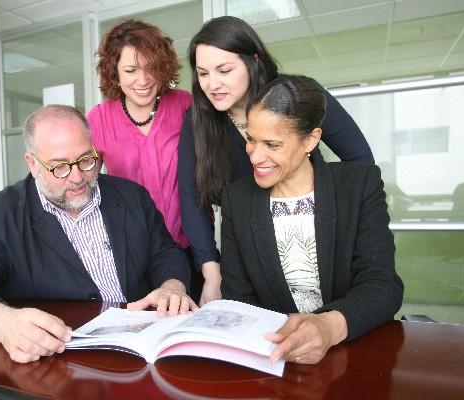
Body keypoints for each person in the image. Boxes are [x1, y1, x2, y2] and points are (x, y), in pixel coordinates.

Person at [0, 105, 197, 364]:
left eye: (86, 160)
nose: (77, 177)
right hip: (56, 360)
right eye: (60, 167)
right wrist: (4, 323)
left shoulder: (131, 195)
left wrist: (171, 285)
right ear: (33, 164)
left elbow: (165, 251)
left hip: (141, 349)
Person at [178, 16, 376, 304]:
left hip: (315, 236)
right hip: (251, 254)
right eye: (203, 73)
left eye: (224, 70)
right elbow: (191, 197)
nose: (213, 84)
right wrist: (212, 272)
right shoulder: (198, 120)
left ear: (253, 61)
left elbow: (360, 160)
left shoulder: (300, 96)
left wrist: (344, 228)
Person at [220, 75, 403, 364]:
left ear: (311, 139)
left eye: (272, 144)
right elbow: (238, 296)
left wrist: (330, 326)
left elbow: (382, 285)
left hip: (354, 356)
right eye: (251, 139)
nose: (255, 156)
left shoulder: (358, 185)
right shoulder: (236, 199)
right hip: (275, 356)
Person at [87, 20, 205, 302]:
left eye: (150, 68)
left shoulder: (185, 105)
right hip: (133, 251)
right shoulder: (98, 118)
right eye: (130, 70)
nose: (143, 80)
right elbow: (87, 184)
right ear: (113, 72)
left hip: (190, 244)